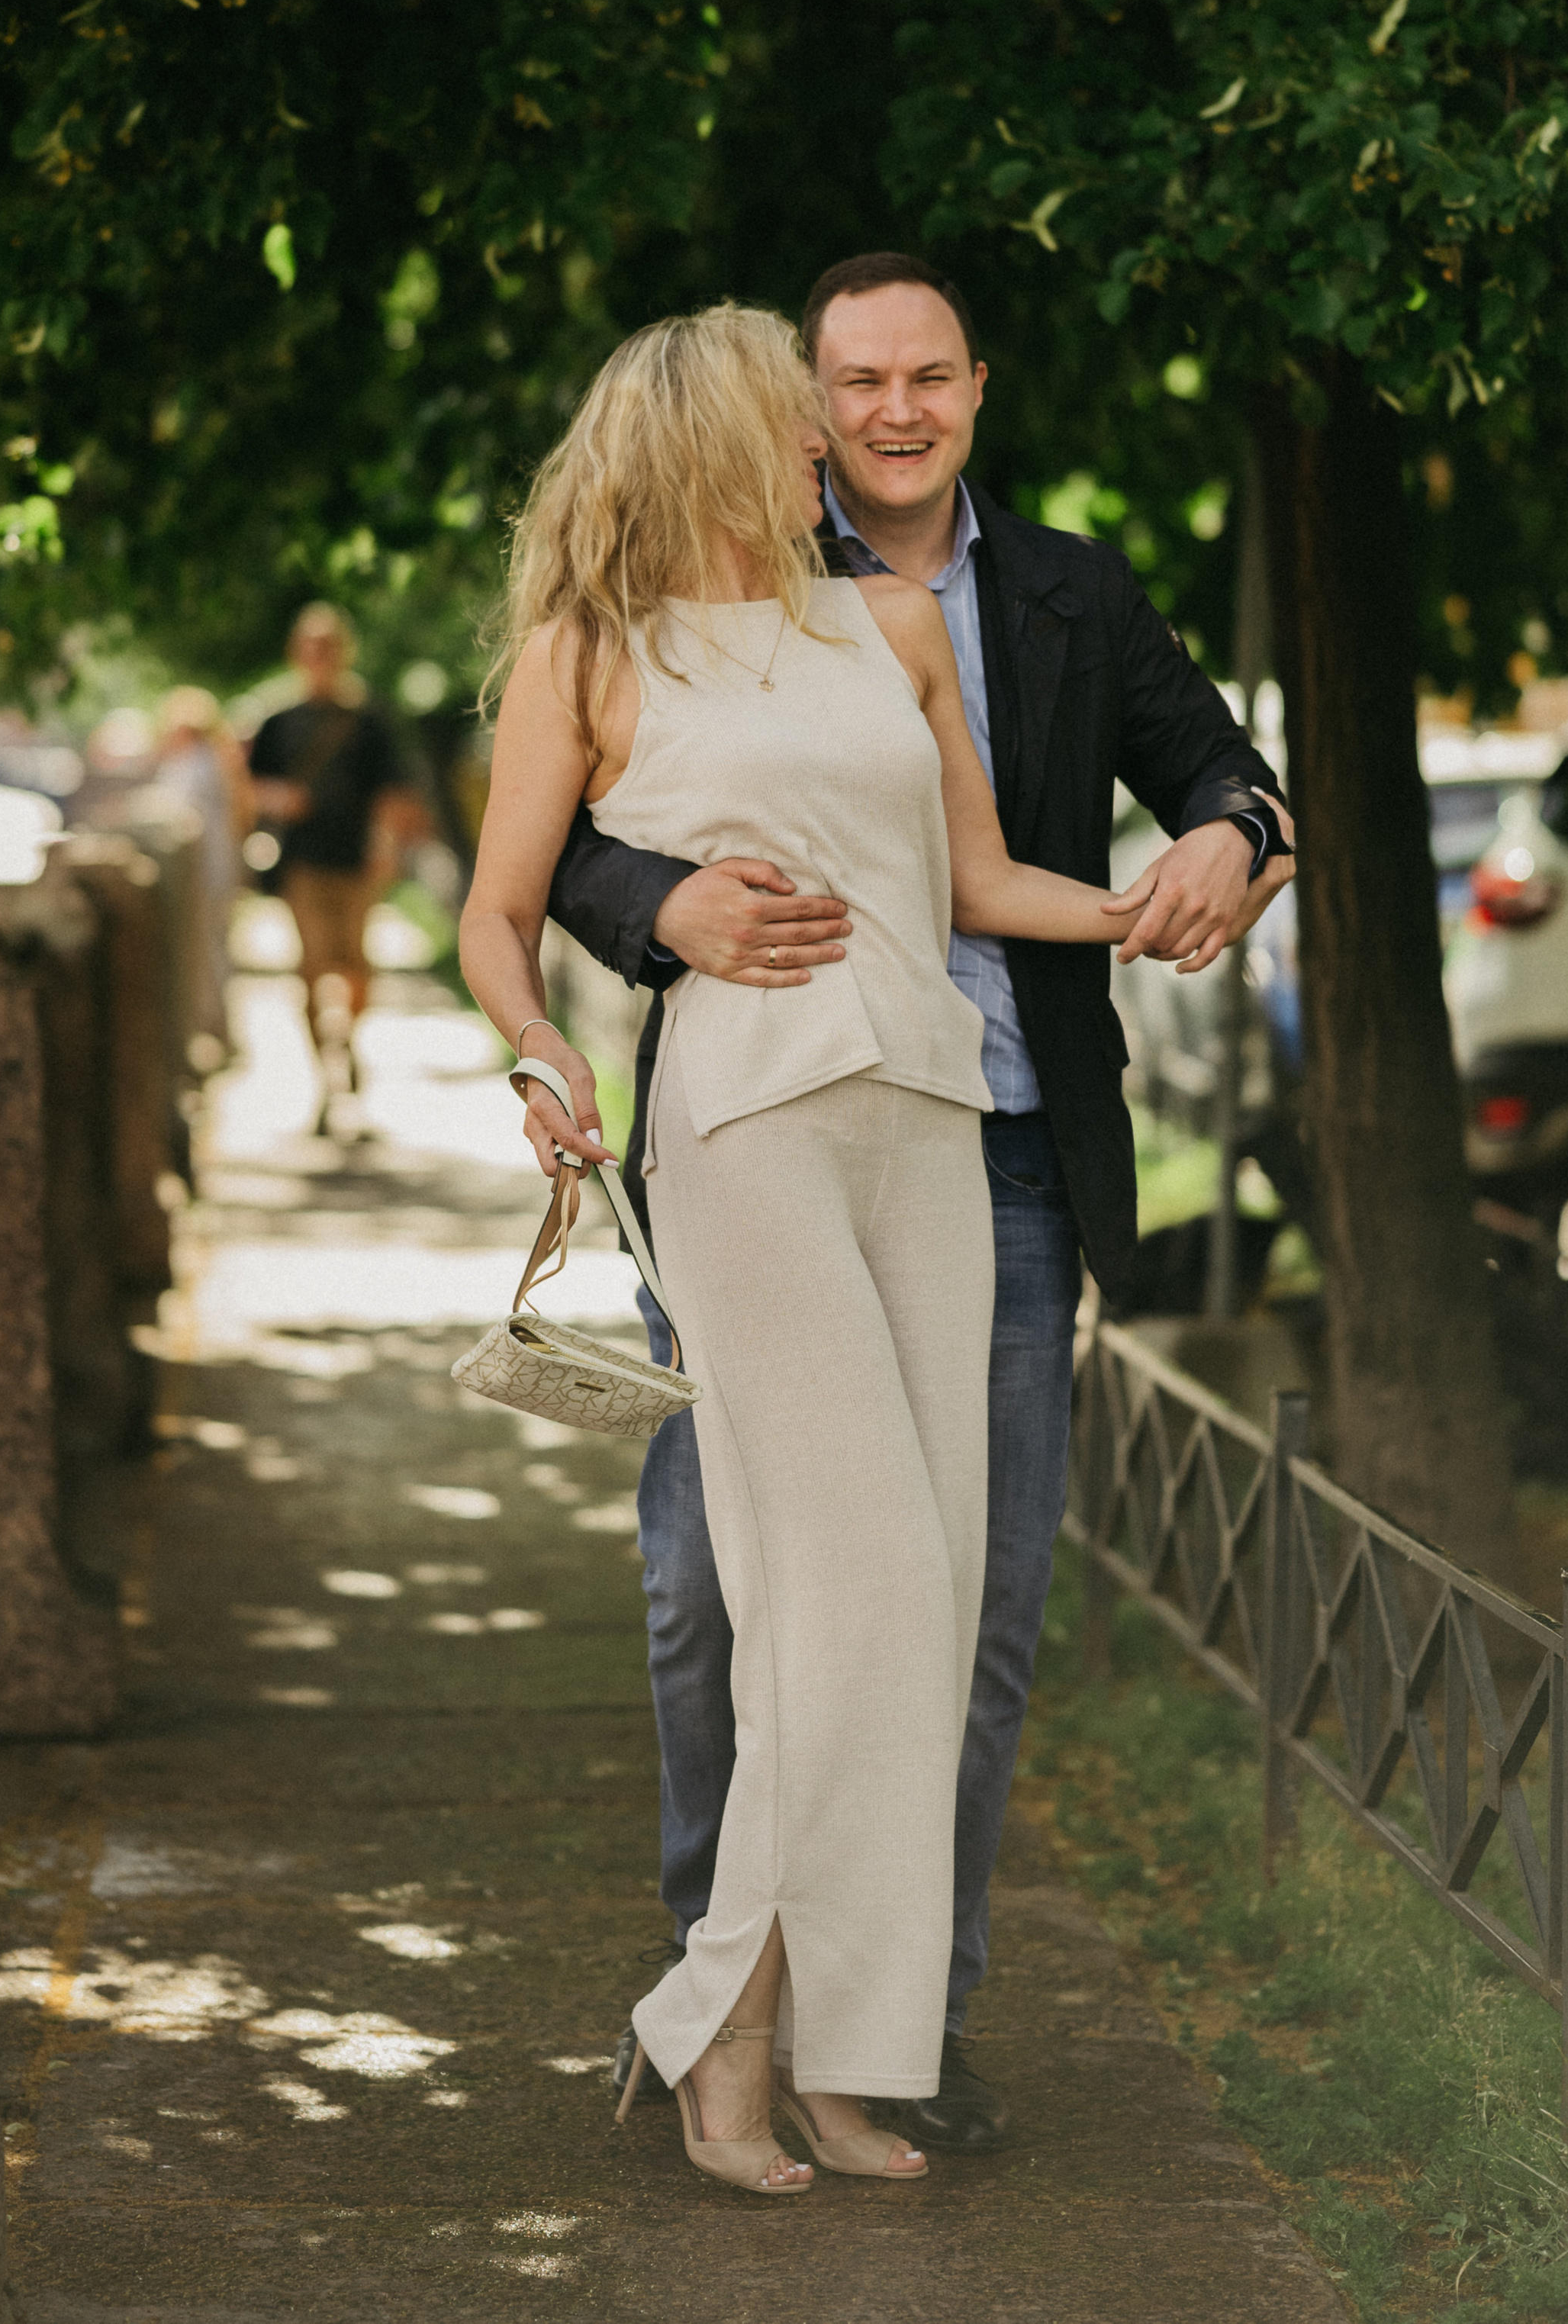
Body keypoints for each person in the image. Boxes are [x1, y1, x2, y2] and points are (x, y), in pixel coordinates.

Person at [536, 253, 1295, 2155]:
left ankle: (883, 2037)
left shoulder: (1035, 591)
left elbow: (1191, 774)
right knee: (722, 1596)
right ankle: (724, 1982)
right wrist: (657, 915)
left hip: (992, 1140)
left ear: (973, 387)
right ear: (794, 401)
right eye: (849, 379)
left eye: (923, 377)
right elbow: (552, 853)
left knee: (957, 1606)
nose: (884, 410)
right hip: (754, 1130)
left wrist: (1221, 843)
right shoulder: (648, 617)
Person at [459, 304, 1145, 2198]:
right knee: (834, 1592)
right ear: (713, 435)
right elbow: (498, 911)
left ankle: (854, 2059)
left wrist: (1144, 905)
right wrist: (536, 1055)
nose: (831, 441)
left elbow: (975, 881)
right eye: (799, 413)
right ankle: (723, 2037)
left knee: (914, 1610)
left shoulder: (894, 623)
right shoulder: (586, 650)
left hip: (925, 1110)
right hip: (744, 1127)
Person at [246, 607, 423, 1100]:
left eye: (329, 646)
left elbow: (393, 791)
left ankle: (347, 1039)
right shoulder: (278, 720)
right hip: (303, 861)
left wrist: (385, 848)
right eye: (311, 645)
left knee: (356, 970)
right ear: (296, 653)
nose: (320, 656)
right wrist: (279, 798)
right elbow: (250, 786)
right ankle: (323, 1071)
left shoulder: (369, 719)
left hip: (357, 862)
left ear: (344, 652)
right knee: (312, 967)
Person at [155, 685, 249, 1055]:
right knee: (214, 946)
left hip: (206, 866)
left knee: (209, 947)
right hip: (214, 864)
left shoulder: (199, 762)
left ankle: (213, 1025)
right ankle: (214, 1024)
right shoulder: (211, 761)